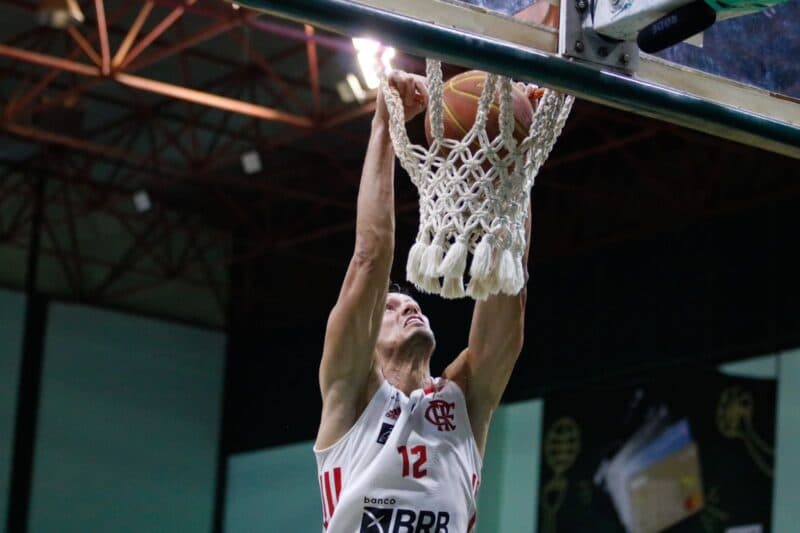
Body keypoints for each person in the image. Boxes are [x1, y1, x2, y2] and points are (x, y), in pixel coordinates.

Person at [314, 70, 534, 533]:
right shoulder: (351, 394)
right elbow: (369, 258)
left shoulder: (465, 399)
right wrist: (384, 128)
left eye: (409, 304)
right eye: (390, 309)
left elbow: (509, 281)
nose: (408, 307)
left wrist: (514, 166)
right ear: (364, 344)